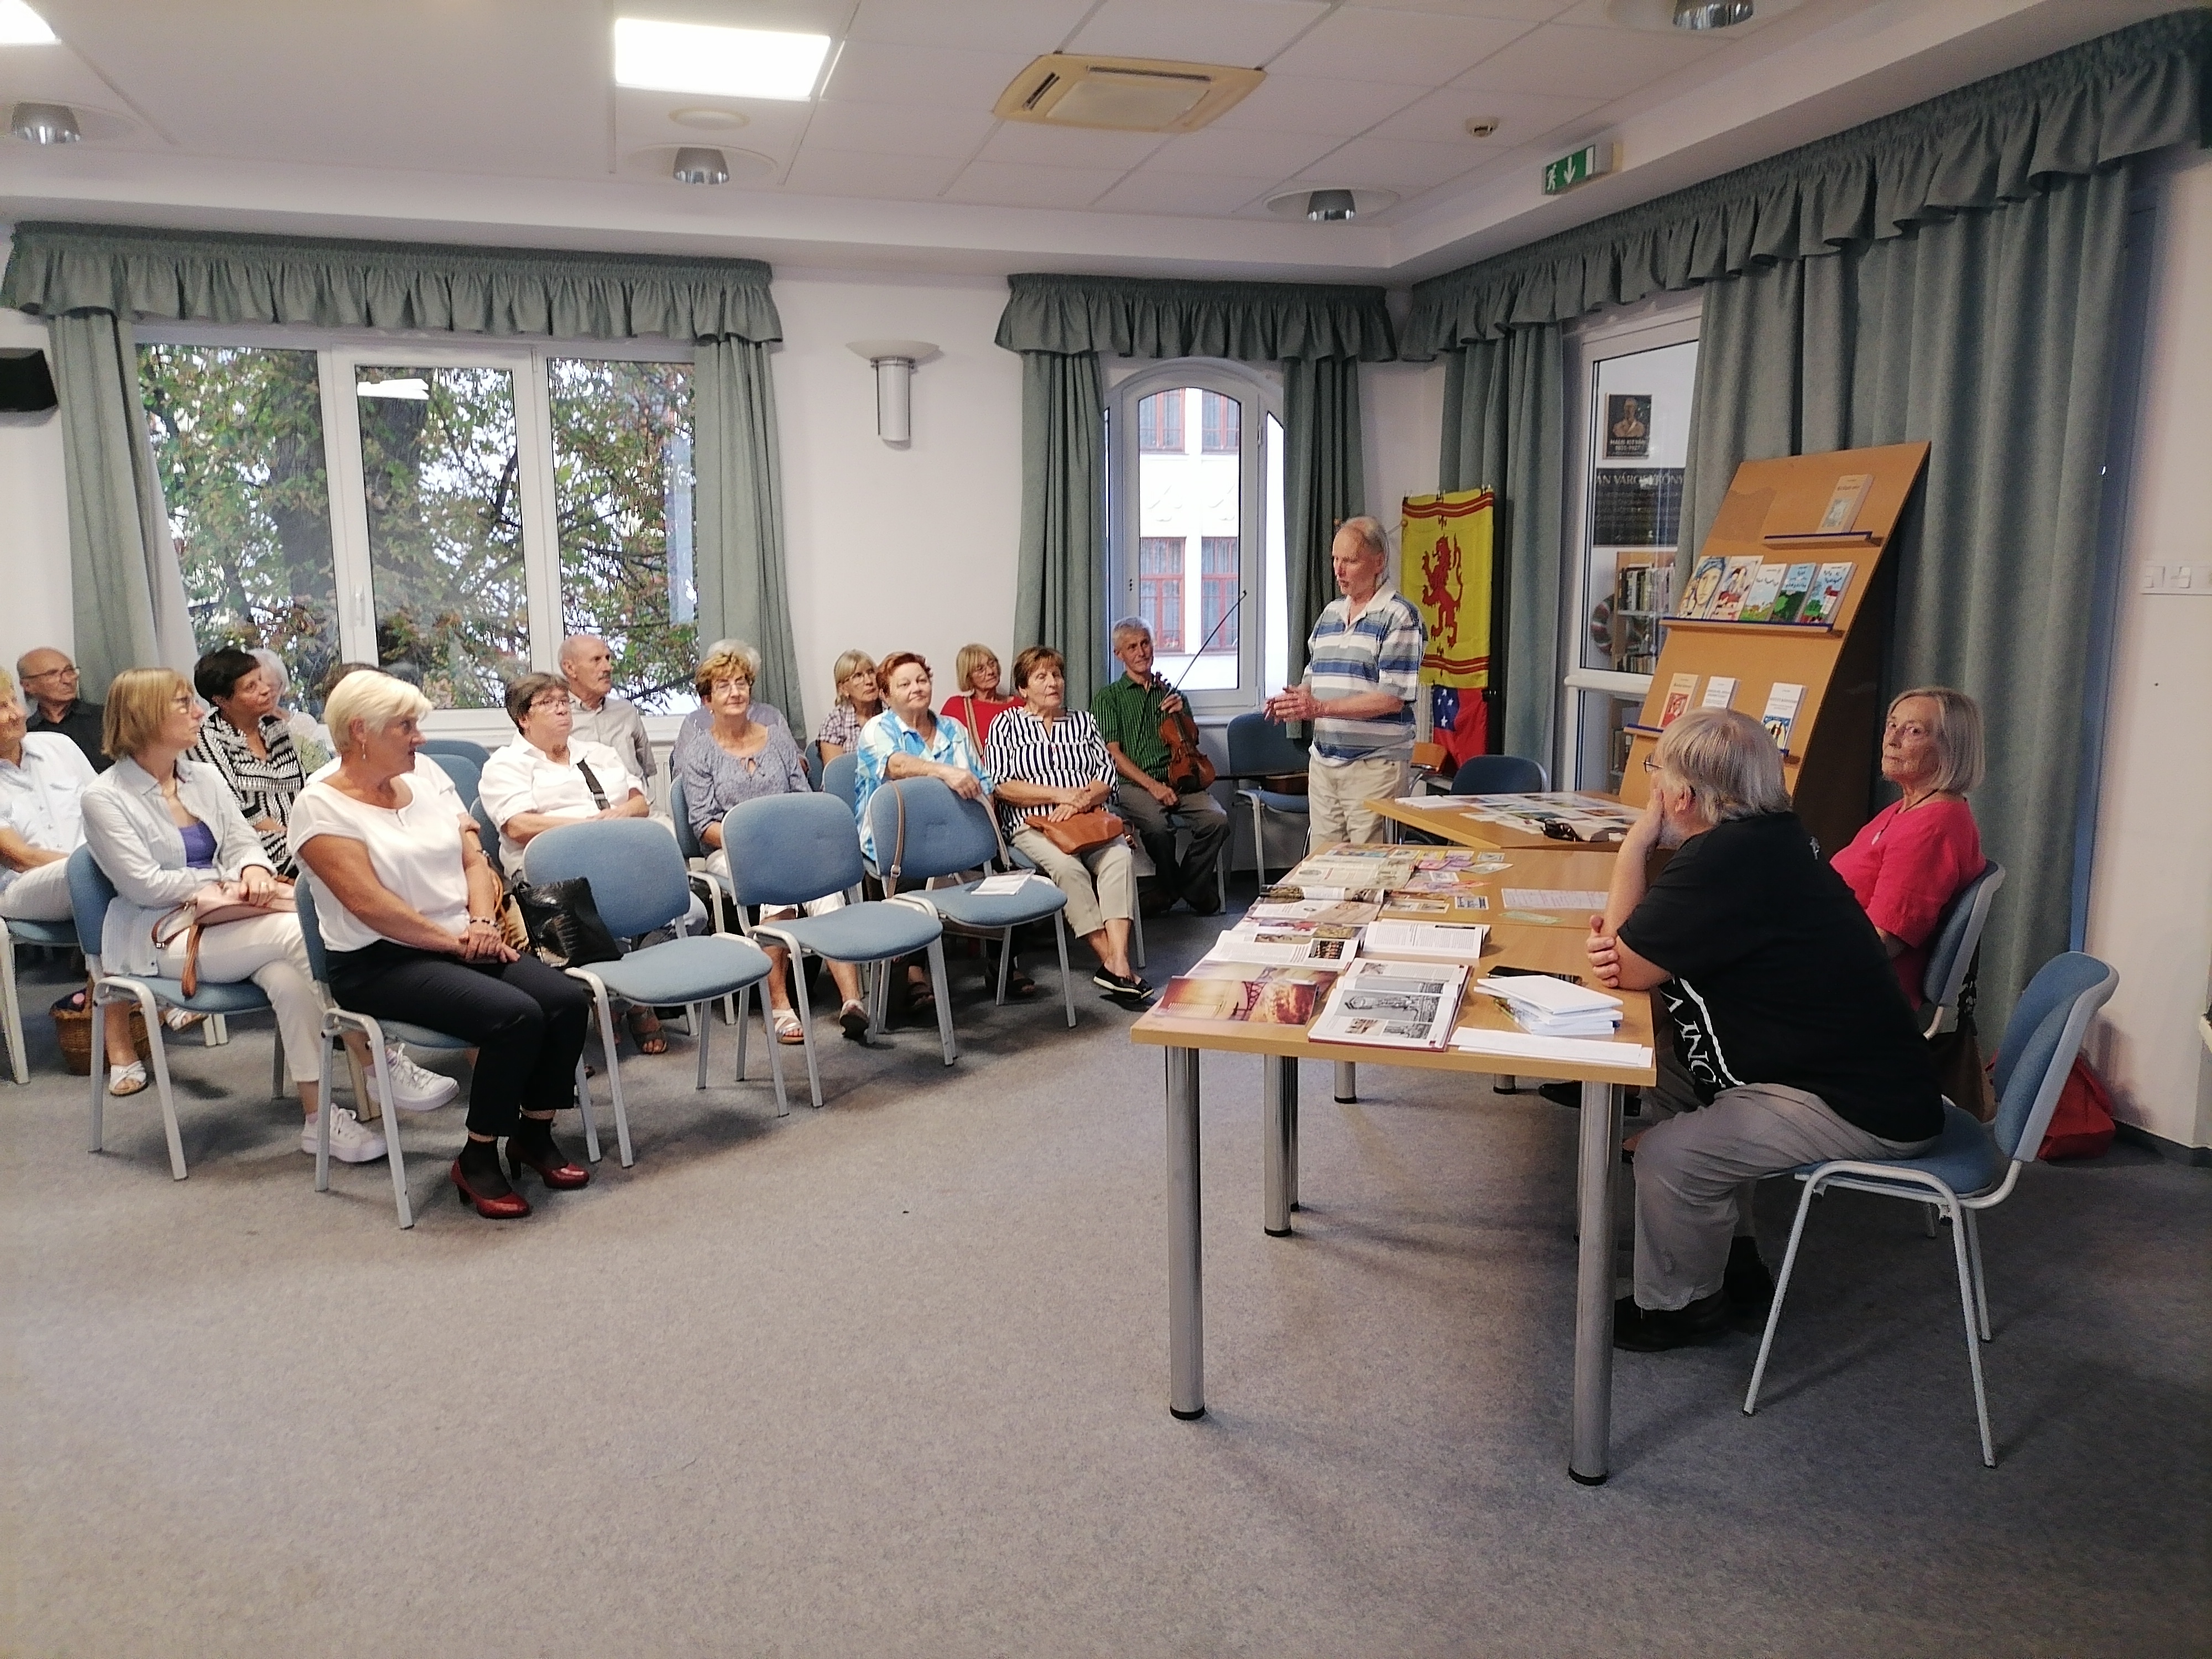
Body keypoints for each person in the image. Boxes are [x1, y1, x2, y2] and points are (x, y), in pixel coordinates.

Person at [1584, 708, 1944, 1352]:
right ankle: (1735, 1259)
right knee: (1673, 1065)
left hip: (1859, 1105)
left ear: (1682, 795)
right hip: (1871, 1072)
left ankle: (1685, 1307)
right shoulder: (1774, 836)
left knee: (1670, 1154)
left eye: (1656, 771)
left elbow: (1625, 968)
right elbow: (1634, 954)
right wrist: (1628, 941)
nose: (1653, 784)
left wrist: (1636, 845)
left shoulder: (1721, 860)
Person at [76, 669, 432, 1154]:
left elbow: (246, 843)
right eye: (184, 704)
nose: (199, 712)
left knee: (289, 980)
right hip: (160, 936)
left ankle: (319, 1120)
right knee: (302, 933)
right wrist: (229, 885)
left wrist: (252, 871)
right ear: (145, 715)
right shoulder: (103, 797)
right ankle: (378, 1059)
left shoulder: (202, 777)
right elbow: (145, 885)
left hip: (233, 919)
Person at [290, 670, 593, 1219]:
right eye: (406, 726)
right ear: (360, 731)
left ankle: (533, 1134)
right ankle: (477, 1157)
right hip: (378, 960)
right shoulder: (320, 805)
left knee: (567, 1001)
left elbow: (472, 858)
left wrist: (480, 922)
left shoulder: (424, 774)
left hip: (462, 936)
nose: (420, 738)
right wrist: (456, 942)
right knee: (515, 1016)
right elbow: (369, 905)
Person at [679, 643, 870, 1045]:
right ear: (707, 700)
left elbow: (803, 796)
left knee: (828, 889)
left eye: (741, 683)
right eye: (724, 686)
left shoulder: (778, 738)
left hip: (790, 843)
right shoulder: (699, 752)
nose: (736, 692)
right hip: (730, 851)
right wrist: (754, 841)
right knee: (774, 887)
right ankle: (779, 1004)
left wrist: (789, 839)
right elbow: (703, 824)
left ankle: (852, 1002)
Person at [480, 671, 664, 1051]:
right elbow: (517, 825)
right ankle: (628, 1000)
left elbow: (639, 802)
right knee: (594, 914)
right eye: (548, 703)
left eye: (564, 701)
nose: (562, 709)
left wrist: (620, 814)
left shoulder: (599, 753)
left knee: (687, 911)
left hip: (617, 856)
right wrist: (587, 827)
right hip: (552, 873)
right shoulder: (506, 765)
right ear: (523, 718)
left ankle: (618, 997)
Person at [984, 645, 1149, 1006]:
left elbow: (1106, 775)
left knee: (1120, 858)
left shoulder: (1083, 722)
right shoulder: (1005, 725)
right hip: (1031, 824)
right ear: (1023, 688)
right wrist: (1060, 795)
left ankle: (1118, 962)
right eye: (1041, 676)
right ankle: (1113, 962)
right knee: (1068, 868)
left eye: (1057, 675)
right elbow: (1002, 785)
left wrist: (1081, 801)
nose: (1053, 683)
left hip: (1087, 819)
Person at [0, 666, 142, 1077]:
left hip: (103, 876)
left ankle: (118, 1014)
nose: (16, 714)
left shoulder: (59, 746)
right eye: (1, 708)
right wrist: (105, 860)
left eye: (13, 701)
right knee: (97, 871)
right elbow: (20, 857)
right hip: (24, 890)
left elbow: (107, 809)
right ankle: (146, 1007)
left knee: (137, 864)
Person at [1264, 517, 1426, 850]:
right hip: (1325, 763)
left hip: (1374, 766)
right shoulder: (1331, 614)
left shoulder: (1400, 616)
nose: (1339, 570)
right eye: (1335, 559)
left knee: (1369, 864)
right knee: (1324, 862)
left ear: (1378, 562)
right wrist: (1295, 701)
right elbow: (1314, 676)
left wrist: (1320, 708)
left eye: (1350, 561)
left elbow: (1392, 698)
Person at [853, 651, 990, 1022]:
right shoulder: (877, 730)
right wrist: (945, 773)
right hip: (897, 845)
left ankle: (1001, 967)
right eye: (904, 684)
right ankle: (911, 974)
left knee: (1005, 875)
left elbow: (981, 781)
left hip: (954, 837)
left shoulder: (954, 730)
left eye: (922, 680)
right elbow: (896, 765)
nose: (916, 688)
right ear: (886, 694)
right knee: (911, 892)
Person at [1829, 687, 1986, 1003]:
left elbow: (1880, 942)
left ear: (1951, 749)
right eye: (1892, 725)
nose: (1892, 739)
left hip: (1853, 996)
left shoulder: (1933, 828)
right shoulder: (1908, 809)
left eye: (1914, 731)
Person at [1092, 618, 1229, 914]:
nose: (1141, 652)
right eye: (1132, 647)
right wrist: (1153, 786)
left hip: (1179, 778)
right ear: (1119, 655)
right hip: (1133, 784)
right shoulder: (1108, 697)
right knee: (1157, 828)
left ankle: (1184, 888)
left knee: (1217, 820)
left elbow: (1190, 741)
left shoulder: (1173, 694)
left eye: (1145, 643)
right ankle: (1176, 888)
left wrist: (1182, 714)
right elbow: (1113, 754)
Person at [187, 646, 310, 876]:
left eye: (261, 680)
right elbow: (235, 807)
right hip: (253, 847)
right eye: (251, 687)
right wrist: (296, 838)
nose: (266, 690)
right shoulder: (206, 738)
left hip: (300, 838)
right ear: (222, 701)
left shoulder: (276, 729)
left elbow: (302, 790)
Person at [559, 634, 654, 785]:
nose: (608, 667)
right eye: (597, 660)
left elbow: (646, 770)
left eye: (608, 658)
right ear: (570, 668)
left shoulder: (627, 712)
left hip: (635, 798)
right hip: (585, 799)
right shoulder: (557, 718)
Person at [17, 647, 108, 771]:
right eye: (53, 674)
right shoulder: (26, 735)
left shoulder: (107, 718)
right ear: (28, 685)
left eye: (69, 671)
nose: (68, 680)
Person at [250, 648, 332, 774]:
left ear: (282, 687)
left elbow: (322, 776)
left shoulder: (302, 725)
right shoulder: (230, 728)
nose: (263, 693)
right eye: (253, 688)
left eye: (271, 688)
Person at [940, 644, 1020, 750]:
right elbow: (941, 747)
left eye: (992, 664)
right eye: (980, 669)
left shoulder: (1019, 705)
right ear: (968, 677)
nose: (991, 672)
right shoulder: (956, 707)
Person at [813, 649, 883, 764]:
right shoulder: (834, 723)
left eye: (871, 672)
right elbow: (837, 773)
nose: (869, 681)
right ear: (843, 689)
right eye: (858, 676)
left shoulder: (892, 710)